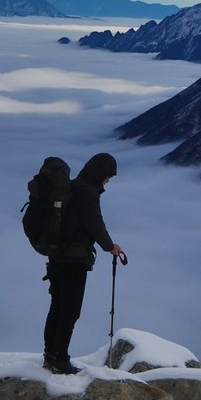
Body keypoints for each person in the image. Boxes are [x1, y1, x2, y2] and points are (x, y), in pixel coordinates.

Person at [43, 152, 125, 375]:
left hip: (58, 255)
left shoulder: (74, 185)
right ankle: (60, 359)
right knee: (69, 312)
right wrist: (110, 247)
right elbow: (94, 224)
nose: (108, 181)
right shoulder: (87, 192)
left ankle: (50, 355)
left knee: (57, 307)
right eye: (108, 176)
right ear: (100, 174)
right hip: (74, 259)